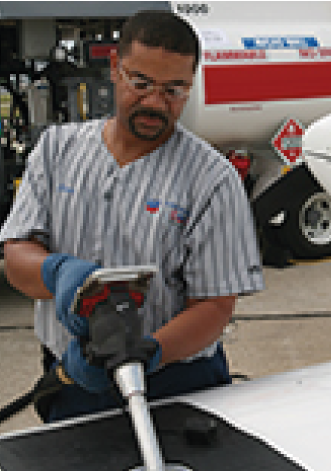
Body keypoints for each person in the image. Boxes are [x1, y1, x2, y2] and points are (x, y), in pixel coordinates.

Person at [0, 10, 264, 423]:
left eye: (174, 90)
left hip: (177, 384)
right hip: (73, 380)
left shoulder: (212, 179)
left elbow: (214, 305)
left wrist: (147, 353)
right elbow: (16, 254)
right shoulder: (57, 151)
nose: (155, 103)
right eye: (140, 84)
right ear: (114, 69)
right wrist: (56, 272)